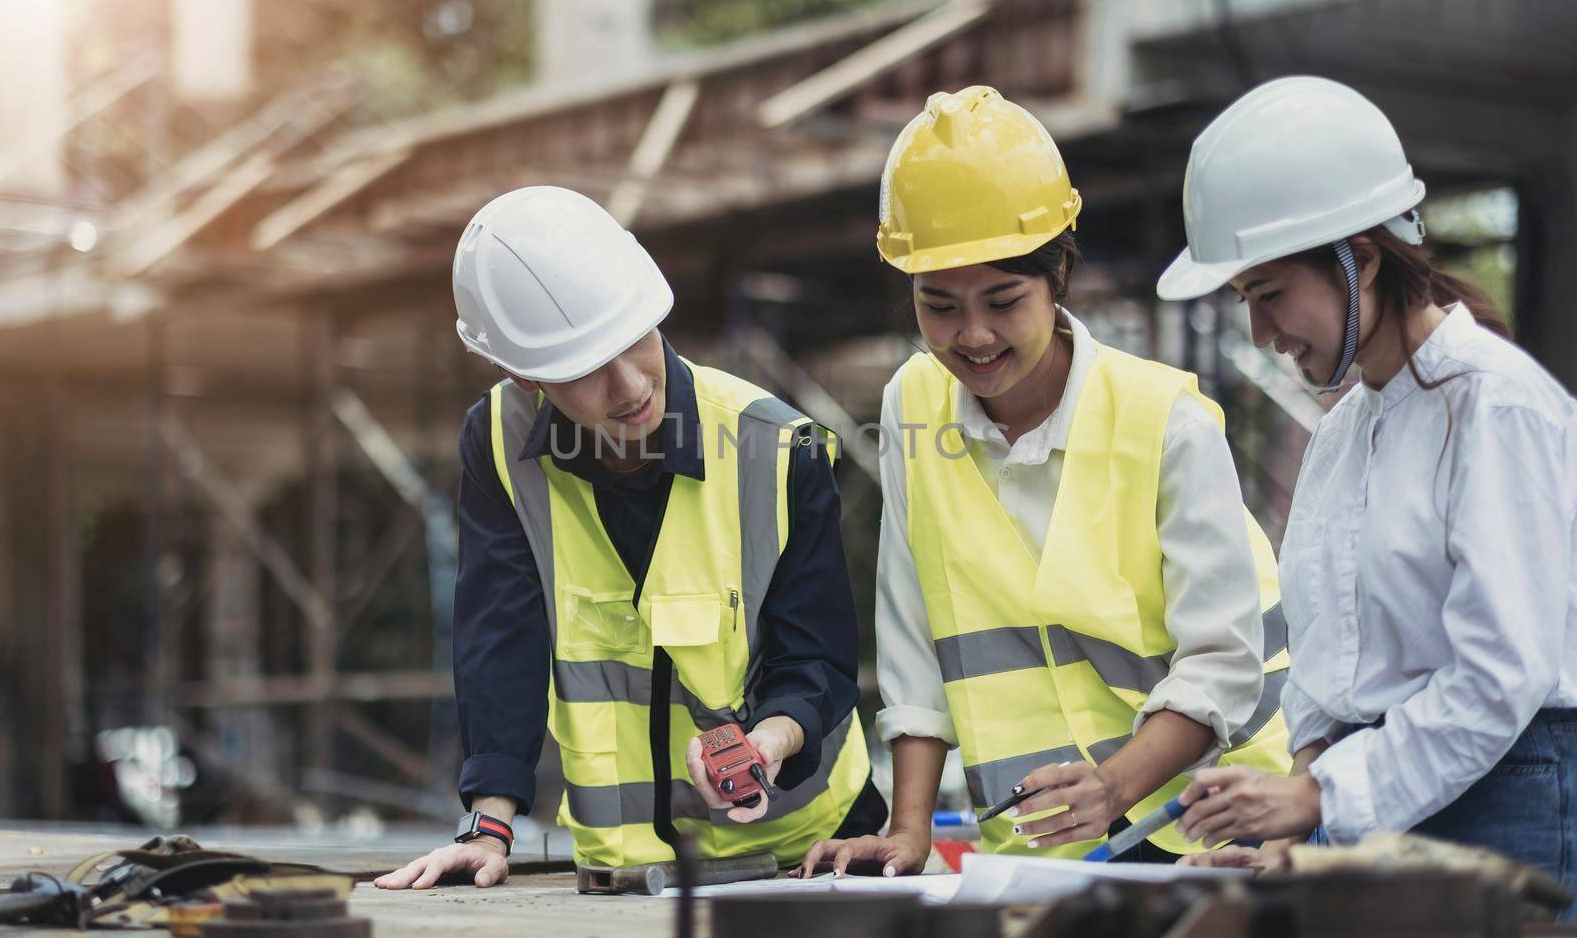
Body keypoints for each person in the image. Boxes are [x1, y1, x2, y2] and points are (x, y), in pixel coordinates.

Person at [800, 87, 1291, 878]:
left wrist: (1113, 784)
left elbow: (1223, 661)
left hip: (1223, 824)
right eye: (939, 306)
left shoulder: (1166, 420)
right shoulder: (911, 402)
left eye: (1003, 300)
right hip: (1048, 848)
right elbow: (911, 627)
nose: (974, 335)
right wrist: (909, 828)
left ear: (1057, 271)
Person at [376, 186, 882, 889]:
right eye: (584, 370)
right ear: (526, 376)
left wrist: (765, 744)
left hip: (805, 855)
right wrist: (489, 824)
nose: (629, 385)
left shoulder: (777, 447)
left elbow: (819, 662)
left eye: (633, 338)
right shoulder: (498, 442)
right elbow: (501, 636)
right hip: (623, 879)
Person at [1157, 76, 1577, 920]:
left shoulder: (1497, 405)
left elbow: (1499, 674)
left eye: (1270, 294)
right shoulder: (1345, 432)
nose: (1262, 335)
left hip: (1509, 800)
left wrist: (1317, 797)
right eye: (1246, 303)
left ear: (1364, 259)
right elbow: (1321, 660)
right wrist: (1298, 793)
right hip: (1373, 807)